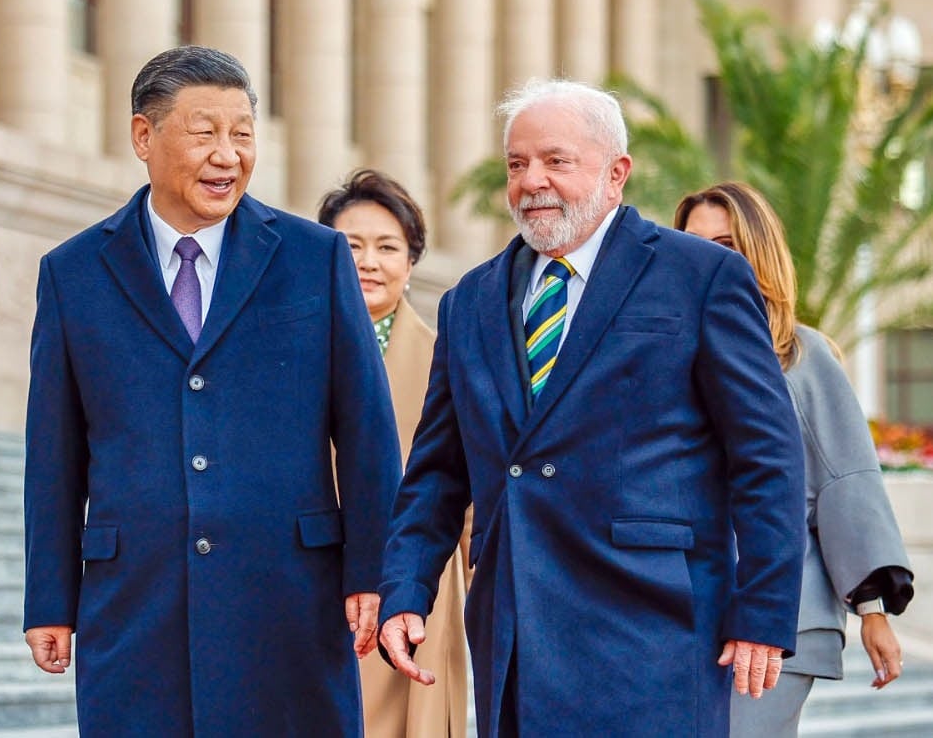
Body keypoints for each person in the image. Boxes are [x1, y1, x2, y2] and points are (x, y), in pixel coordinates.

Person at [377, 78, 807, 738]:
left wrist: (765, 610)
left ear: (617, 174)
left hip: (655, 634)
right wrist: (406, 591)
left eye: (556, 160)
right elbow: (437, 471)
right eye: (517, 164)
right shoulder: (468, 302)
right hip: (515, 634)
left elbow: (767, 457)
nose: (532, 181)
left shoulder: (702, 277)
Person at [23, 45, 402, 736]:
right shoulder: (73, 273)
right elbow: (54, 452)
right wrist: (49, 597)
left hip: (289, 598)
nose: (227, 155)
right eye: (204, 134)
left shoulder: (313, 258)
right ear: (144, 136)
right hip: (135, 605)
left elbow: (367, 431)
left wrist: (375, 571)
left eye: (243, 134)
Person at [675, 181, 915, 736]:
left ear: (759, 253)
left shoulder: (801, 357)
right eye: (694, 244)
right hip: (684, 615)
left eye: (727, 244)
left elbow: (846, 484)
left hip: (784, 617)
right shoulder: (670, 356)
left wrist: (872, 611)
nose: (709, 258)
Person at [317, 169, 470, 738]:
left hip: (412, 588)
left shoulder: (444, 357)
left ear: (410, 263)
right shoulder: (286, 354)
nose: (368, 262)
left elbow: (468, 487)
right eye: (350, 246)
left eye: (387, 247)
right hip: (314, 579)